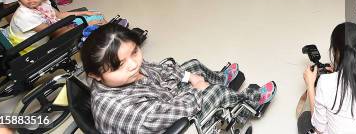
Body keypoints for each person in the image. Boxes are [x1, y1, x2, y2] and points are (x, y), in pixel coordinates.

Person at [81, 23, 277, 133]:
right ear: (95, 75)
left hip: (161, 99)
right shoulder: (121, 108)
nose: (133, 64)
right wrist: (199, 88)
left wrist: (190, 76)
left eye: (135, 52)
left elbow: (157, 69)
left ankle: (219, 79)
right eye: (120, 65)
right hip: (169, 124)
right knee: (214, 92)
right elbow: (175, 113)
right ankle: (249, 104)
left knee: (192, 65)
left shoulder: (123, 72)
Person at [298, 22, 356, 134]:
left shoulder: (325, 83)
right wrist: (341, 72)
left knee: (304, 119)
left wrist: (310, 85)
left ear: (335, 51)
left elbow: (319, 129)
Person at [8, 0, 106, 53]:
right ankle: (109, 43)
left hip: (52, 29)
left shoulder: (44, 1)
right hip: (36, 46)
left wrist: (83, 12)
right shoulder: (25, 15)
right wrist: (86, 24)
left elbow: (58, 15)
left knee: (95, 15)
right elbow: (53, 32)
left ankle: (110, 37)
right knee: (96, 22)